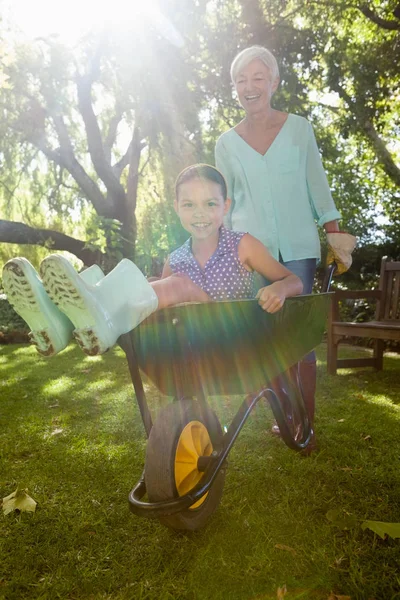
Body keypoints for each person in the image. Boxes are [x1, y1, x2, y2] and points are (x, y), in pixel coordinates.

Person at [2, 164, 303, 358]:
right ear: (177, 208)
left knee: (178, 286)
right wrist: (147, 287)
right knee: (144, 283)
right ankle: (60, 320)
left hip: (234, 336)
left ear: (225, 206)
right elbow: (153, 299)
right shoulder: (177, 257)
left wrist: (279, 290)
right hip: (190, 342)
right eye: (189, 205)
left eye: (210, 204)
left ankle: (100, 313)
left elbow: (295, 281)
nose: (199, 214)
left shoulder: (243, 245)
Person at [215, 45, 356, 448]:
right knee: (265, 337)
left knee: (298, 337)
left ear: (274, 83)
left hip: (297, 247)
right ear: (234, 88)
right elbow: (225, 203)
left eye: (258, 78)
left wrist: (335, 236)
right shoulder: (226, 144)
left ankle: (305, 423)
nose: (250, 87)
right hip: (253, 251)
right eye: (241, 80)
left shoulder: (299, 130)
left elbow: (317, 187)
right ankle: (287, 414)